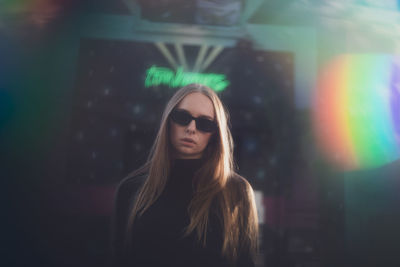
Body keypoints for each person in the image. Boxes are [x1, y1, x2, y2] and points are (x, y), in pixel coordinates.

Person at [111, 83, 259, 267]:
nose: (191, 128)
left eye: (205, 123)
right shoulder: (131, 190)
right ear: (168, 121)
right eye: (182, 117)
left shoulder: (237, 191)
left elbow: (246, 261)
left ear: (215, 133)